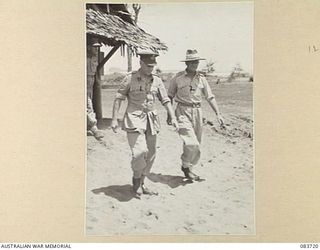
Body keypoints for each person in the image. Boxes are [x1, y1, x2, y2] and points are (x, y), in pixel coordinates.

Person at [111, 49, 179, 196]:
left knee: (152, 152)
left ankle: (142, 182)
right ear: (141, 63)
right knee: (139, 152)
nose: (151, 68)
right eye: (148, 65)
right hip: (134, 118)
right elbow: (119, 97)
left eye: (152, 66)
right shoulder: (130, 78)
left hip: (151, 119)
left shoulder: (157, 80)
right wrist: (115, 119)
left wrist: (172, 116)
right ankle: (136, 180)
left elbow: (165, 100)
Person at [167, 49, 224, 181]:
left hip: (197, 112)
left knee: (196, 143)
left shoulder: (202, 79)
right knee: (191, 142)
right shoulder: (177, 78)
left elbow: (210, 97)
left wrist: (218, 114)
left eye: (196, 62)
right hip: (182, 111)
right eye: (192, 62)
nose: (195, 64)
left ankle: (189, 168)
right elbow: (169, 96)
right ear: (187, 63)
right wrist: (170, 115)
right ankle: (186, 167)